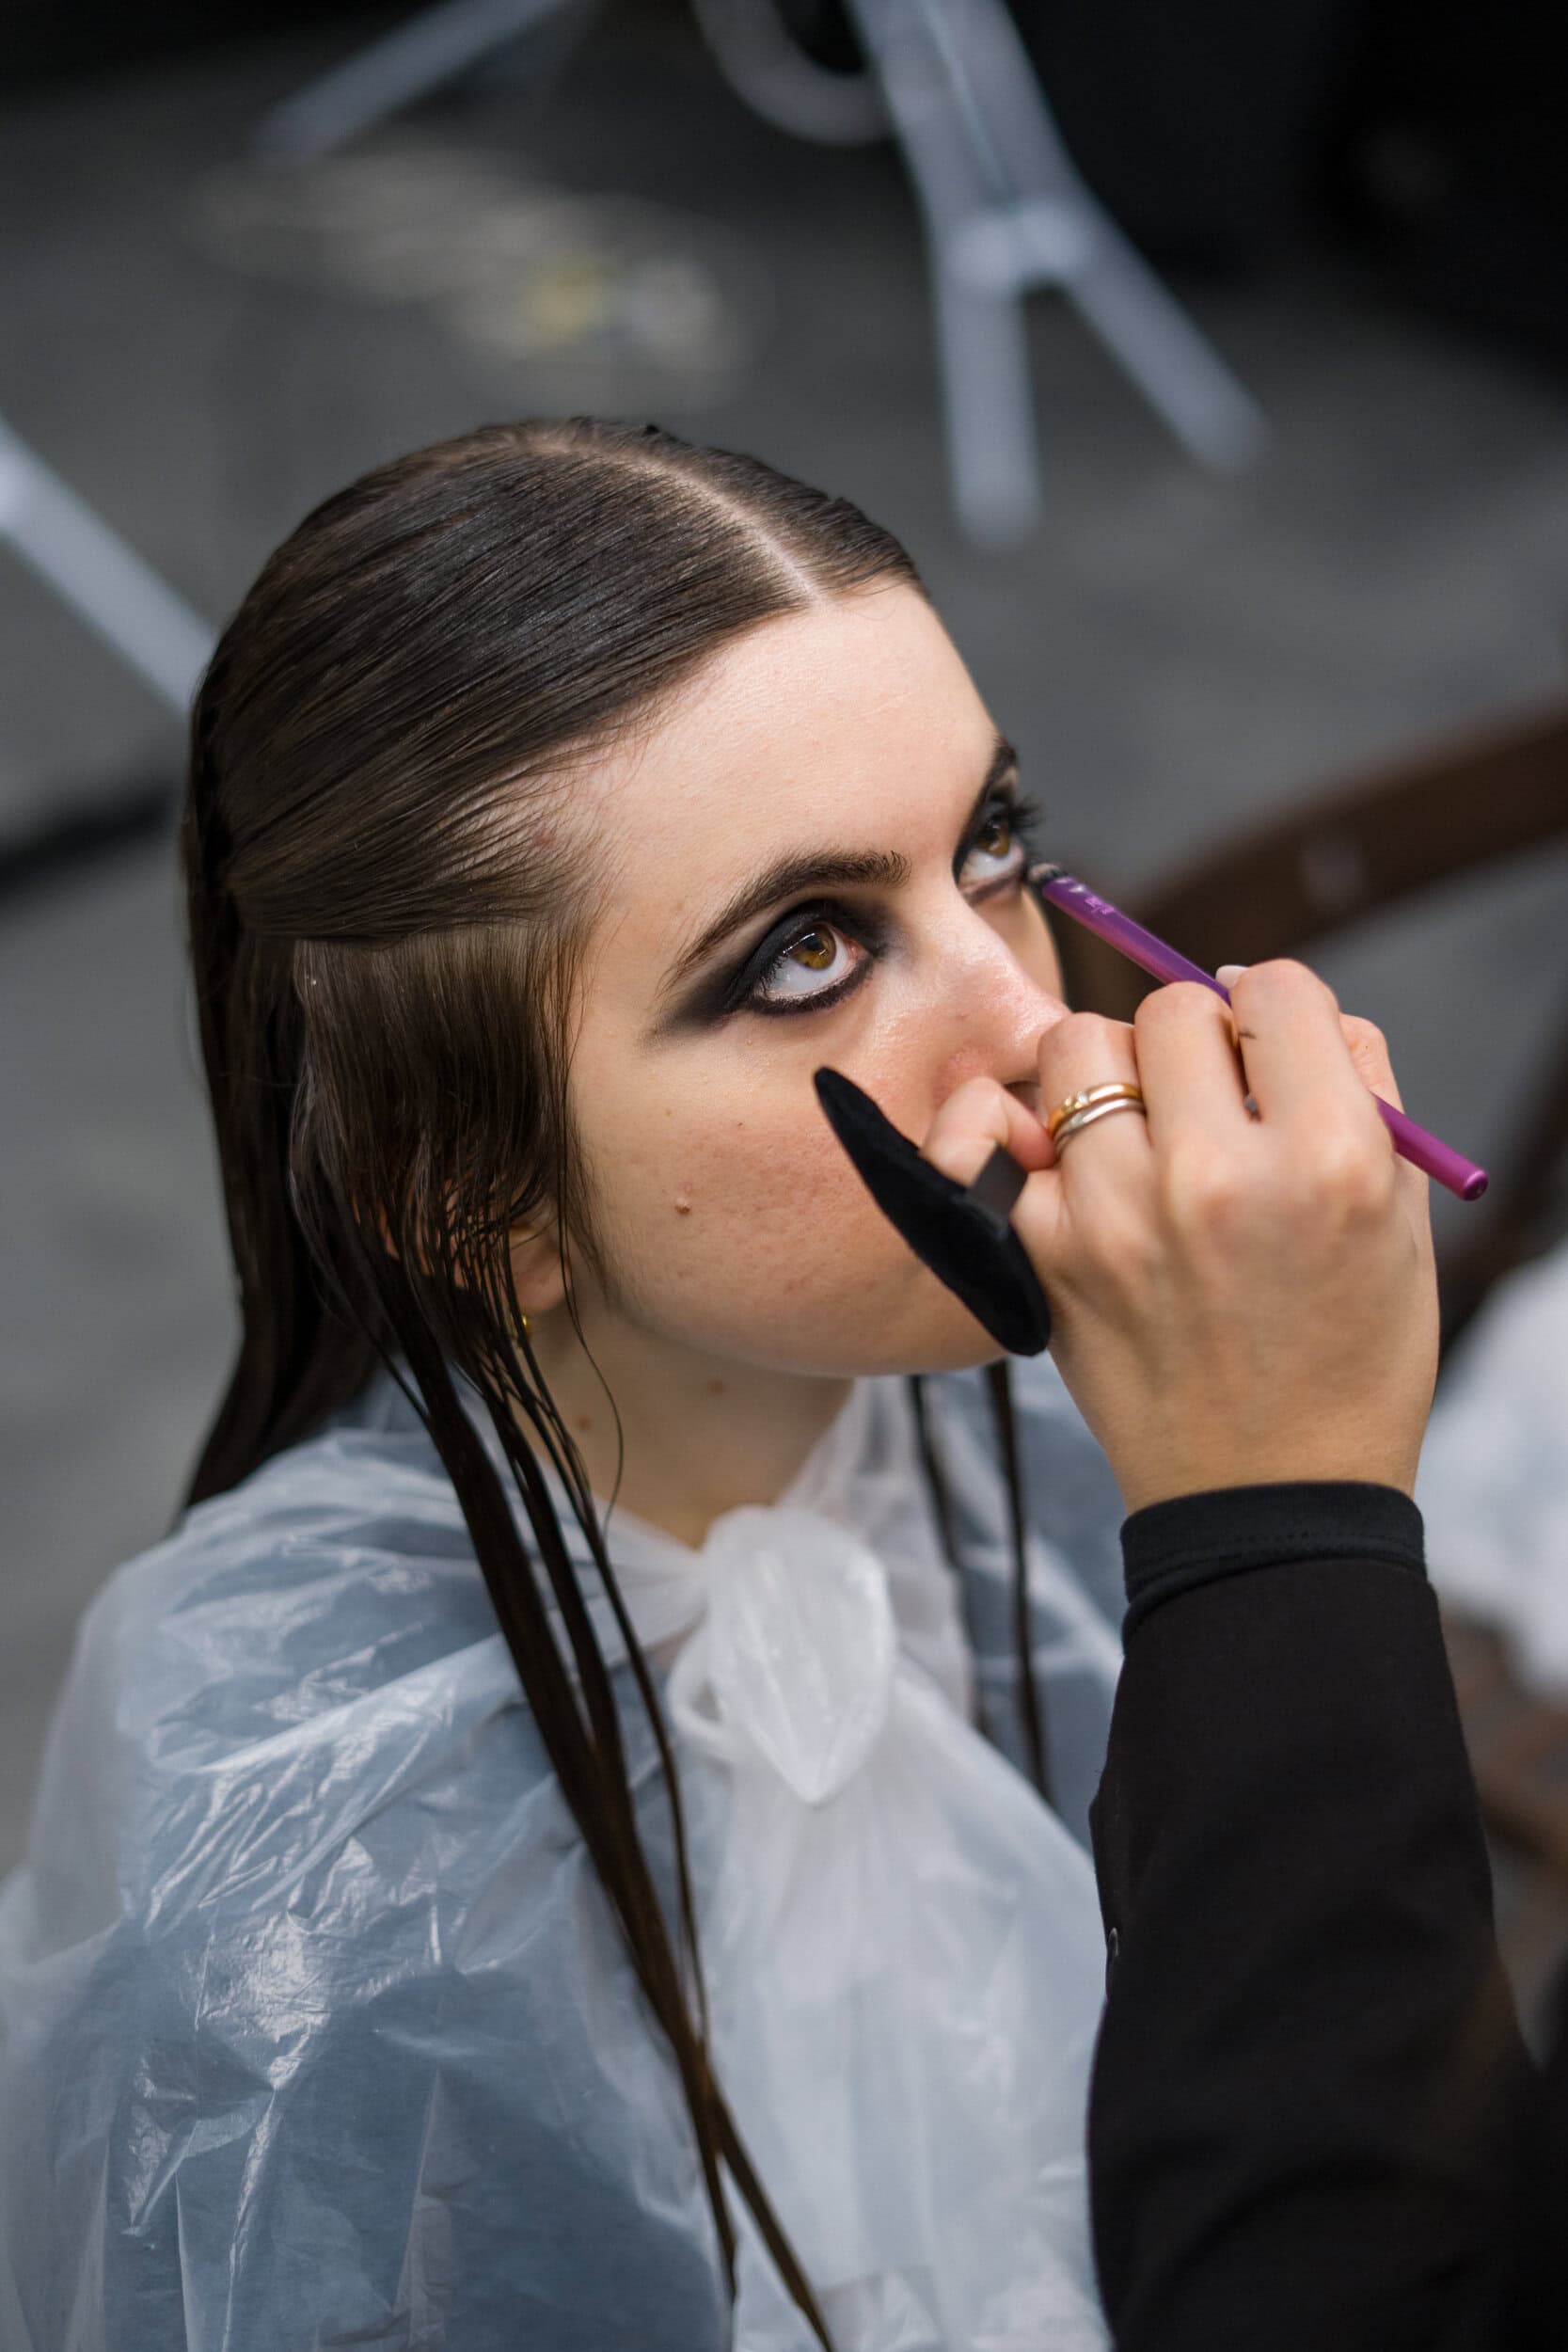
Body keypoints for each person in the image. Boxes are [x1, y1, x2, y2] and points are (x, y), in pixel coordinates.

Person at [0, 418, 1446, 2352]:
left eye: (993, 844)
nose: (1036, 1020)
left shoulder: (1101, 1428)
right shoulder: (279, 1860)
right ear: (469, 1186)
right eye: (811, 947)